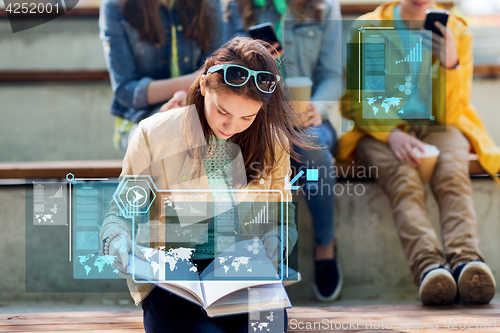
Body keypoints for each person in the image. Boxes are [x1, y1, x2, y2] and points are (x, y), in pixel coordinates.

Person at [100, 37, 308, 332]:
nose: (231, 125)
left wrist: (278, 239)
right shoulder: (153, 133)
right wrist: (115, 240)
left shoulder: (273, 144)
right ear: (204, 85)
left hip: (242, 277)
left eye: (246, 116)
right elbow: (119, 213)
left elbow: (281, 217)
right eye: (222, 111)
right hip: (171, 281)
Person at [337, 0, 500, 305]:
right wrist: (392, 134)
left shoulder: (457, 31)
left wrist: (451, 63)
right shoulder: (369, 29)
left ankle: (467, 264)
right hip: (380, 128)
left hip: (440, 123)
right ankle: (430, 269)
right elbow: (356, 102)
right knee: (403, 179)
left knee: (453, 172)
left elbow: (451, 113)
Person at [224, 0, 344, 301]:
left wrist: (320, 106)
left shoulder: (325, 7)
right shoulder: (235, 6)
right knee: (253, 149)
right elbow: (224, 69)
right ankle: (258, 256)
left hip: (310, 118)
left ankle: (324, 245)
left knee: (312, 150)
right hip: (258, 117)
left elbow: (333, 75)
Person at [99, 0, 223, 152]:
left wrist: (188, 99)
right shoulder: (115, 5)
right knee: (165, 139)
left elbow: (219, 75)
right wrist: (191, 84)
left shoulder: (209, 3)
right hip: (140, 117)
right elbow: (125, 91)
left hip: (199, 108)